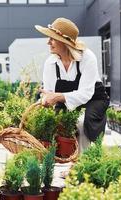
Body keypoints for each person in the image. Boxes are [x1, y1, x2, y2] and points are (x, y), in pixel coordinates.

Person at [35, 17, 110, 149]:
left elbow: (86, 93)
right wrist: (45, 100)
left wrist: (58, 97)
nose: (48, 42)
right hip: (65, 101)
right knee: (58, 124)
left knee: (81, 124)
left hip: (94, 99)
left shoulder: (87, 58)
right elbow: (49, 92)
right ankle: (65, 157)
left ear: (64, 42)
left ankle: (83, 162)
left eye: (52, 38)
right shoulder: (50, 63)